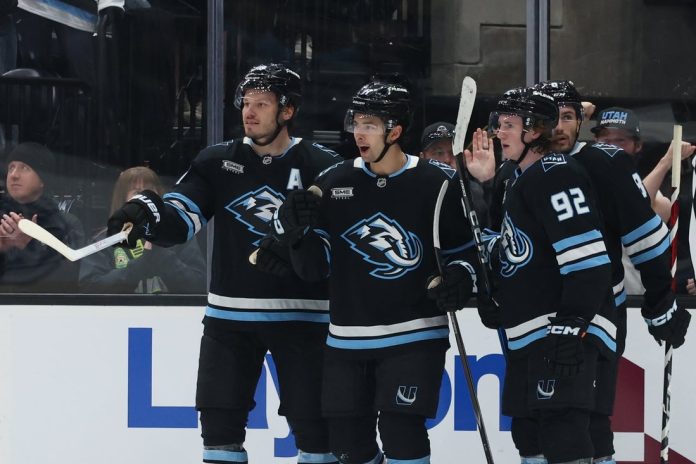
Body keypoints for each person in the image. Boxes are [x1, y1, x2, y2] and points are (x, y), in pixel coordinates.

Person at [105, 63, 341, 464]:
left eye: (262, 104)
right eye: (246, 103)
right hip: (230, 320)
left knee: (318, 435)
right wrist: (147, 212)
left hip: (304, 320)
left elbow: (335, 246)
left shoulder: (323, 165)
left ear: (287, 110)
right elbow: (181, 218)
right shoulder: (217, 161)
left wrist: (300, 249)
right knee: (218, 434)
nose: (249, 112)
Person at [267, 77, 475, 464]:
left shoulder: (438, 183)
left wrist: (461, 277)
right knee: (348, 447)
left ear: (394, 131)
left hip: (415, 335)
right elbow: (315, 268)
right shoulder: (334, 182)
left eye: (370, 125)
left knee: (402, 433)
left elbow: (466, 253)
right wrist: (297, 234)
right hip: (347, 339)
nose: (358, 134)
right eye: (356, 123)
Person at [532, 81, 692, 464]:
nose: (559, 126)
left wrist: (660, 301)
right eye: (551, 117)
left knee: (587, 423)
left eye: (567, 117)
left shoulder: (604, 162)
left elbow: (646, 236)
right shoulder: (518, 167)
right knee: (533, 425)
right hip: (535, 319)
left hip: (596, 317)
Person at [481, 87, 618, 464]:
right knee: (528, 435)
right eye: (499, 124)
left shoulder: (557, 175)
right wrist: (494, 292)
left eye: (509, 125)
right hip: (530, 334)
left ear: (535, 130)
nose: (499, 133)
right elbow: (517, 251)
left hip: (561, 329)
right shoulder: (517, 178)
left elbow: (589, 260)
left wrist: (572, 323)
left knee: (563, 433)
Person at [79, 166, 206, 294]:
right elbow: (89, 287)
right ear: (124, 201)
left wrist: (162, 255)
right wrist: (141, 264)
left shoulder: (180, 236)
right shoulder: (105, 241)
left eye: (150, 191)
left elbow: (200, 285)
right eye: (137, 193)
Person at [0, 142, 84, 292]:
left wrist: (30, 245)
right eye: (11, 167)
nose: (14, 175)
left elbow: (71, 280)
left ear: (42, 180)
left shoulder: (65, 224)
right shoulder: (3, 221)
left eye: (25, 168)